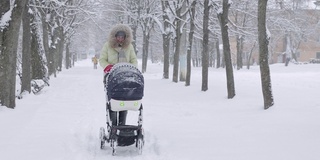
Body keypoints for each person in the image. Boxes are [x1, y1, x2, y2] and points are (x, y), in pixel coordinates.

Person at [99, 24, 138, 126]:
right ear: (114, 36)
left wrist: (131, 69)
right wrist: (108, 67)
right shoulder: (108, 45)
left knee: (124, 102)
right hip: (111, 77)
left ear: (126, 37)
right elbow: (102, 59)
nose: (120, 39)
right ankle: (113, 125)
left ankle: (122, 124)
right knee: (113, 102)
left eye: (122, 37)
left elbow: (134, 60)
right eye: (118, 37)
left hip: (126, 78)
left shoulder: (129, 47)